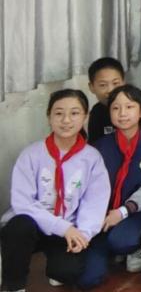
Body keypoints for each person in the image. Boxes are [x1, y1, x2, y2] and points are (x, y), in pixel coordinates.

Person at [0, 90, 110, 291]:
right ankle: (14, 284)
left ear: (85, 117)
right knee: (18, 227)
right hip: (34, 225)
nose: (66, 120)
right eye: (59, 113)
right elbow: (22, 202)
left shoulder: (92, 158)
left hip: (68, 228)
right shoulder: (31, 154)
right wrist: (61, 227)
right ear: (49, 117)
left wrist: (83, 234)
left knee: (68, 272)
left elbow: (95, 202)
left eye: (74, 113)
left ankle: (56, 265)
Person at [77, 85, 141, 288]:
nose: (122, 113)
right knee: (88, 280)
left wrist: (122, 212)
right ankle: (111, 248)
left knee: (122, 240)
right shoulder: (99, 147)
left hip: (136, 211)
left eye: (129, 107)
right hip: (103, 215)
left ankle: (136, 246)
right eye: (116, 108)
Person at [87, 57, 141, 142]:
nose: (110, 90)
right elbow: (95, 145)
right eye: (103, 85)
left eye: (115, 83)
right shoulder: (96, 113)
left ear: (123, 82)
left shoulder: (140, 109)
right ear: (91, 87)